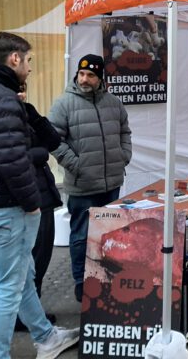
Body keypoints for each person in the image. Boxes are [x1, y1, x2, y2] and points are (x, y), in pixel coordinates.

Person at [0, 32, 79, 359]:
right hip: (6, 208)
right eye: (28, 61)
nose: (29, 68)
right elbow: (12, 160)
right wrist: (32, 205)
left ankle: (45, 336)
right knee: (9, 288)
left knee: (23, 277)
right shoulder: (4, 99)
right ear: (14, 59)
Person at [49, 54, 132, 303]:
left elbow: (124, 131)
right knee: (81, 235)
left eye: (91, 75)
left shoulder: (114, 103)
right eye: (82, 74)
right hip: (83, 185)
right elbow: (52, 139)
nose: (84, 79)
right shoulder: (64, 104)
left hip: (112, 182)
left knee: (108, 235)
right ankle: (80, 281)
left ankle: (105, 277)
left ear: (100, 78)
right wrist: (77, 165)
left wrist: (123, 156)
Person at [14, 89, 63, 332]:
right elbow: (11, 155)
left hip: (41, 191)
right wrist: (40, 153)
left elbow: (53, 140)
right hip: (27, 196)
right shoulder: (1, 114)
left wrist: (33, 114)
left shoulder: (25, 111)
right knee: (32, 258)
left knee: (41, 256)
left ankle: (30, 312)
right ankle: (24, 316)